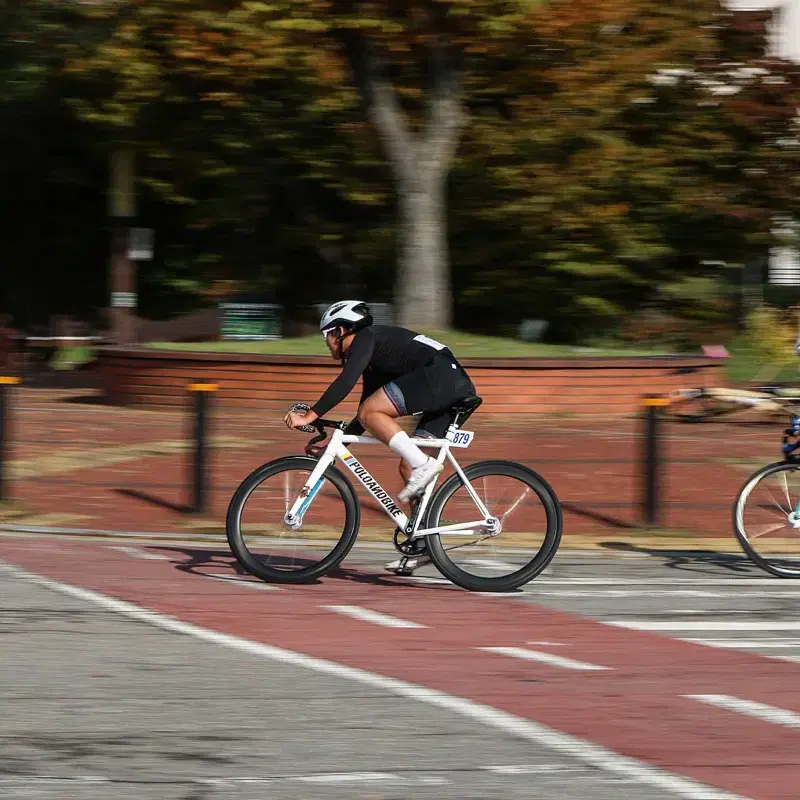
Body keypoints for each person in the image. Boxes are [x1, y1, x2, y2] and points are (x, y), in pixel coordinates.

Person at [284, 300, 476, 574]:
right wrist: (337, 444)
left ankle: (425, 466)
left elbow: (345, 382)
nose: (326, 342)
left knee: (383, 423)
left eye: (326, 335)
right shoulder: (375, 359)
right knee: (407, 464)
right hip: (448, 383)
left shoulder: (365, 338)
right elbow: (364, 414)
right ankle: (423, 543)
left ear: (340, 331)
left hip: (441, 377)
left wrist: (311, 415)